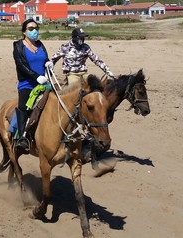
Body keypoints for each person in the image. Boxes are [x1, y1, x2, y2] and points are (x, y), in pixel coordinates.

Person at [12, 19, 52, 153]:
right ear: (24, 32)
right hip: (27, 84)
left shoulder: (40, 44)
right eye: (30, 29)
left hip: (44, 83)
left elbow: (44, 59)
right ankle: (22, 138)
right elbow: (21, 65)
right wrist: (36, 77)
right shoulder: (18, 46)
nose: (34, 31)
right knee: (24, 107)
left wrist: (48, 63)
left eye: (36, 28)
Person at [50, 28, 115, 87]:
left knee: (95, 86)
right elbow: (54, 59)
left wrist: (108, 71)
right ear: (75, 38)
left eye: (83, 37)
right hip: (71, 74)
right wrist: (50, 67)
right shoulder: (65, 47)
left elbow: (96, 60)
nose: (82, 39)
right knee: (76, 89)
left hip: (83, 73)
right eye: (80, 38)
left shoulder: (85, 47)